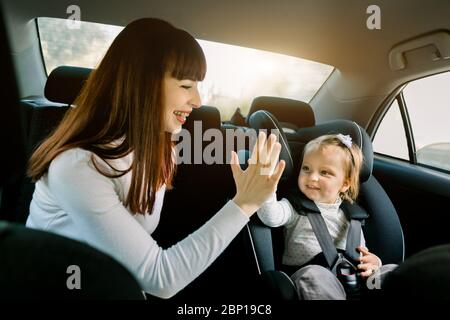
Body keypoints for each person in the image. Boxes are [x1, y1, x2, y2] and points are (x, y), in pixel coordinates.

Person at [25, 18, 285, 299]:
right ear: (143, 84)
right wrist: (244, 203)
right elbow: (161, 278)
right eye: (186, 86)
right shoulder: (77, 165)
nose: (198, 100)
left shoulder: (159, 148)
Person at [257, 134, 396, 300]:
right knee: (315, 276)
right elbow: (269, 217)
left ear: (345, 183)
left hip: (355, 283)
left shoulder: (353, 216)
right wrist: (267, 188)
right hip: (312, 277)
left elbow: (362, 254)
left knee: (393, 271)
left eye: (324, 172)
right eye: (306, 168)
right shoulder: (294, 207)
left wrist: (374, 263)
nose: (312, 177)